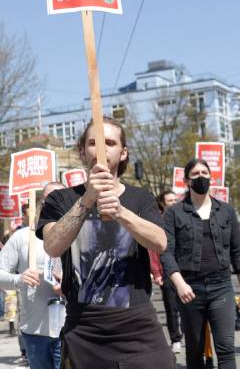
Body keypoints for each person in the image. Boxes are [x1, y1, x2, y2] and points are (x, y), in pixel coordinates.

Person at [37, 116, 173, 367]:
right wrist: (86, 200)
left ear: (123, 152)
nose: (101, 148)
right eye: (92, 142)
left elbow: (160, 242)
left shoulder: (141, 198)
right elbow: (52, 246)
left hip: (137, 327)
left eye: (109, 142)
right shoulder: (61, 200)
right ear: (82, 151)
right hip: (84, 329)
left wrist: (121, 213)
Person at [161, 158, 240, 369]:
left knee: (226, 350)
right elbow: (166, 253)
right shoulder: (173, 213)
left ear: (211, 178)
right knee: (195, 352)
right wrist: (180, 284)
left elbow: (238, 253)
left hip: (222, 288)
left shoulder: (226, 211)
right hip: (190, 289)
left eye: (204, 173)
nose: (201, 177)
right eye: (195, 174)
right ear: (187, 180)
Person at [0, 181, 66, 369]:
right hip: (35, 332)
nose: (54, 203)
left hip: (72, 330)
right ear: (40, 203)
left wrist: (70, 283)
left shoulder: (79, 234)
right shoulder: (23, 237)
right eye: (48, 199)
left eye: (60, 197)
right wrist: (18, 279)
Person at [150, 190, 183, 354]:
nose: (173, 202)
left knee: (188, 307)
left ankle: (188, 335)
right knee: (171, 308)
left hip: (186, 271)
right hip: (167, 272)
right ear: (162, 203)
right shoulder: (158, 222)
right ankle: (175, 338)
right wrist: (156, 272)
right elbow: (154, 250)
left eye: (175, 199)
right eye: (170, 200)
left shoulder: (185, 217)